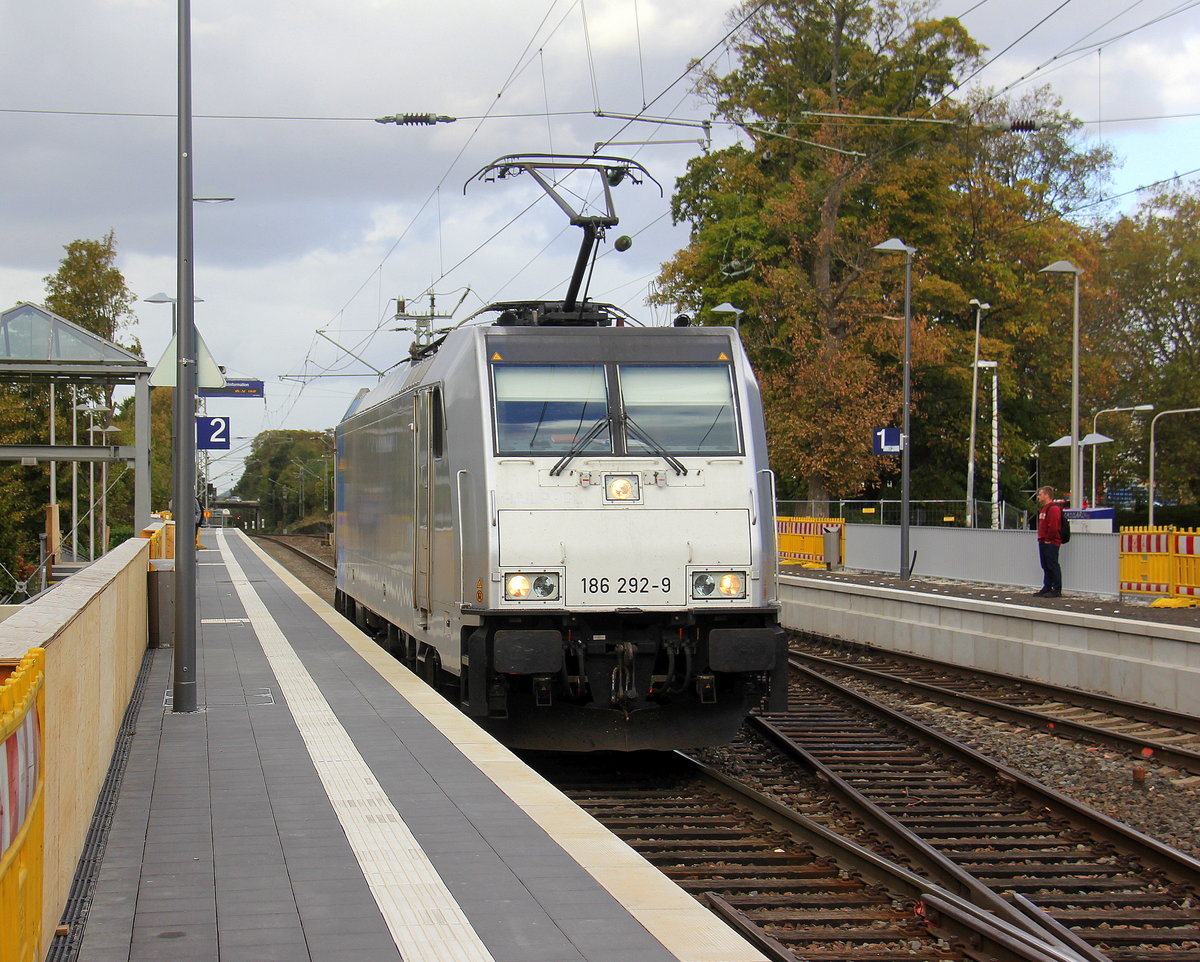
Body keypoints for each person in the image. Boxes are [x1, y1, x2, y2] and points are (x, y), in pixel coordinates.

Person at [1034, 485, 1065, 597]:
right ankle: (1047, 587)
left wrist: (1048, 539)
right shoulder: (1045, 508)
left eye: (1040, 494)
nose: (1038, 497)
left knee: (1052, 565)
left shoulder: (1053, 509)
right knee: (1045, 565)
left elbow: (1053, 526)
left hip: (1051, 542)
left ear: (1047, 495)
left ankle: (1056, 589)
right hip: (1043, 541)